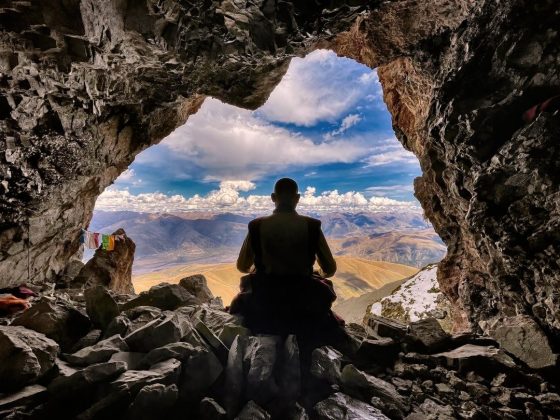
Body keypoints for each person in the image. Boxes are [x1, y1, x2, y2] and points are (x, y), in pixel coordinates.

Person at [229, 178, 343, 338]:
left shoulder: (256, 226)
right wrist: (315, 274)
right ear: (297, 198)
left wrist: (256, 270)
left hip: (265, 301)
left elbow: (242, 266)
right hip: (303, 301)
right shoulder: (312, 226)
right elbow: (330, 269)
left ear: (273, 198)